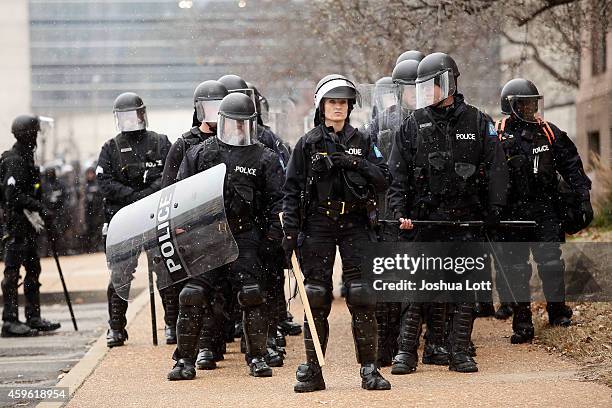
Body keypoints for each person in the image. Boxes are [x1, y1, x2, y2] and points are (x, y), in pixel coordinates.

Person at [388, 52, 508, 374]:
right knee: (417, 289)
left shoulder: (478, 122)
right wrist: (399, 212)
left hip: (466, 219)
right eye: (424, 86)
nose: (429, 92)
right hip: (424, 220)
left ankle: (459, 352)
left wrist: (494, 209)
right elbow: (396, 175)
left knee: (464, 291)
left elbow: (497, 168)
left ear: (449, 83)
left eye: (434, 85)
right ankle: (406, 352)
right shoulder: (412, 126)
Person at [282, 74, 392, 392]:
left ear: (350, 106)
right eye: (332, 102)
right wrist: (289, 233)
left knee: (362, 294)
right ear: (322, 106)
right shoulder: (307, 144)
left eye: (343, 102)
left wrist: (352, 163)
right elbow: (290, 190)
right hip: (318, 224)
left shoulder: (362, 140)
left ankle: (370, 370)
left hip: (355, 223)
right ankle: (313, 368)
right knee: (315, 295)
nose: (338, 108)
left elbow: (384, 178)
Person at [168, 92, 284, 380]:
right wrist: (184, 232)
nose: (238, 127)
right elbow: (180, 197)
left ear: (252, 124)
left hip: (246, 238)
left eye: (243, 122)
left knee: (252, 294)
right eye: (233, 122)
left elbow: (277, 202)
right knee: (192, 295)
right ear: (221, 122)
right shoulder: (200, 153)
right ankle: (184, 360)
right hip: (208, 238)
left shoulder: (264, 157)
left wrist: (271, 238)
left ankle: (257, 356)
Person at [495, 78, 592, 343]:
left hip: (546, 209)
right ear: (512, 106)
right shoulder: (497, 133)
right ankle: (522, 322)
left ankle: (558, 311)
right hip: (511, 213)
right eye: (525, 105)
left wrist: (583, 196)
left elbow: (572, 165)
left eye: (533, 104)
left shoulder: (548, 131)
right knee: (516, 268)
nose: (531, 109)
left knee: (551, 263)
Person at [97, 92, 172, 346]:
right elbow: (105, 182)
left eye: (134, 115)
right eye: (124, 117)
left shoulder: (161, 142)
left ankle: (172, 323)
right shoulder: (110, 148)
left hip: (155, 218)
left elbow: (170, 175)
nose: (130, 121)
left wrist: (147, 196)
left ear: (143, 114)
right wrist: (132, 197)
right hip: (123, 221)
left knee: (166, 270)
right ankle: (116, 327)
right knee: (120, 275)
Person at [1, 114, 60, 337]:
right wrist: (39, 206)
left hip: (28, 225)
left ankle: (33, 317)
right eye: (35, 133)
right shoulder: (14, 160)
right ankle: (10, 320)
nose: (37, 136)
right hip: (17, 225)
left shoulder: (26, 157)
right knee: (12, 273)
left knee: (33, 268)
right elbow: (12, 194)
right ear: (28, 135)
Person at [82, 166, 105, 253]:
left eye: (91, 173)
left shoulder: (97, 183)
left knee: (99, 229)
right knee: (90, 230)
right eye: (88, 174)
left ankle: (99, 245)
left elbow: (100, 196)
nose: (90, 175)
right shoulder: (85, 185)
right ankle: (91, 247)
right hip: (88, 211)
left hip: (98, 211)